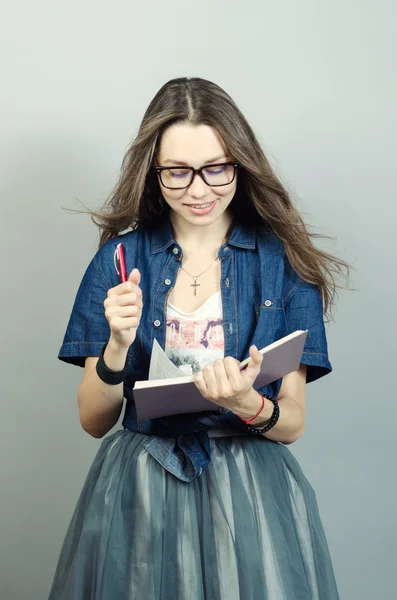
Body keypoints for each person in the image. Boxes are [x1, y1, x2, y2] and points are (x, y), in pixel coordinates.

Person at [49, 77, 350, 600]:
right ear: (153, 171)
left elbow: (293, 421)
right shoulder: (119, 261)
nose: (197, 189)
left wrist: (247, 402)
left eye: (216, 168)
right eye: (177, 172)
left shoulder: (283, 264)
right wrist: (117, 346)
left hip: (251, 493)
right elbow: (93, 421)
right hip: (141, 488)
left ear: (240, 163)